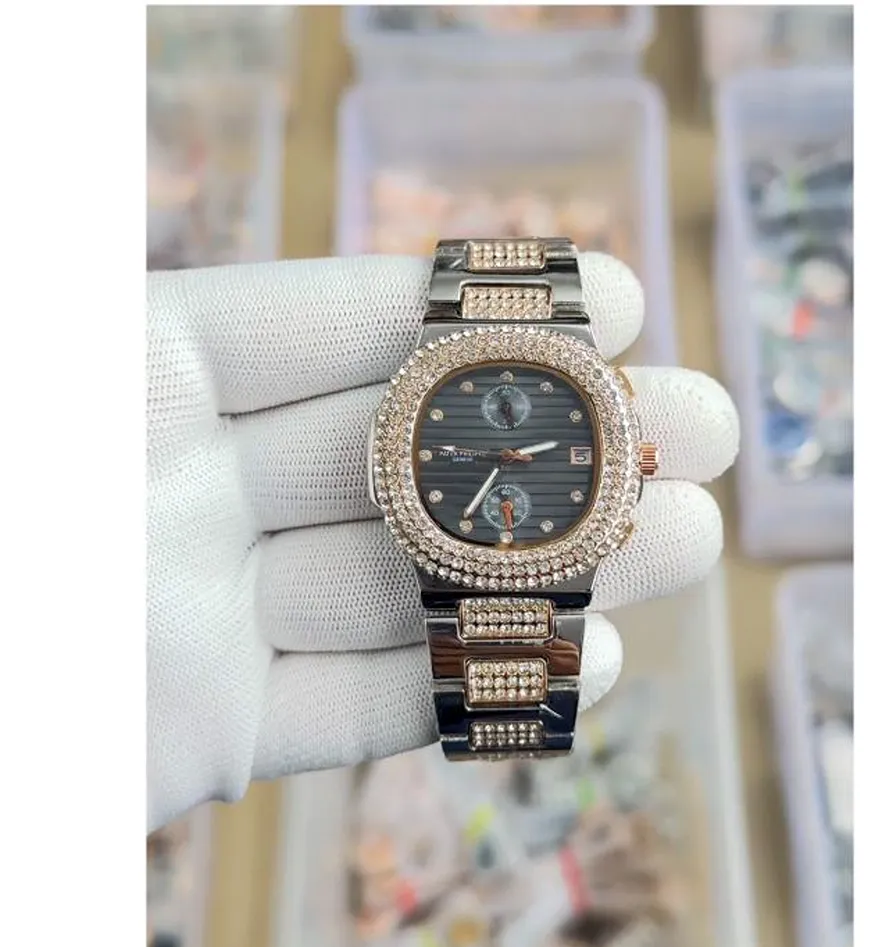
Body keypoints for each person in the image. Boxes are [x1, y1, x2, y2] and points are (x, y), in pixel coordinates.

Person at [146, 253, 739, 833]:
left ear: (637, 464)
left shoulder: (581, 461)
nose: (512, 457)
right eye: (509, 454)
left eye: (518, 455)